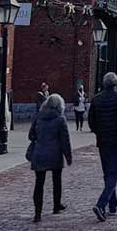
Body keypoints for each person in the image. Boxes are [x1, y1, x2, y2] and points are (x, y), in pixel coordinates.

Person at [88, 72, 117, 222]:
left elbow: (91, 121)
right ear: (115, 84)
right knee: (114, 174)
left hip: (103, 141)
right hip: (116, 140)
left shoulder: (96, 99)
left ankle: (112, 206)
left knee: (108, 173)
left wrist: (99, 133)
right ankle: (101, 204)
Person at [28, 94, 72, 223]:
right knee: (56, 180)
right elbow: (65, 140)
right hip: (55, 153)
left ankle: (37, 213)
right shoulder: (60, 119)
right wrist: (68, 156)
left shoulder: (38, 117)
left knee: (39, 184)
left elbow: (31, 135)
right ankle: (56, 205)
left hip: (39, 153)